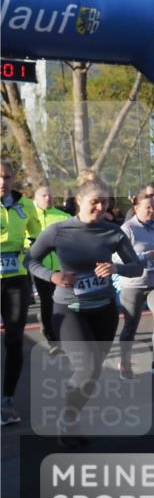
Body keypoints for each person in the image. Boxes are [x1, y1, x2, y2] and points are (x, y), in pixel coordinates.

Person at [26, 178, 143, 445]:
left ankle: (71, 418)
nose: (100, 207)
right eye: (94, 202)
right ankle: (66, 421)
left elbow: (135, 267)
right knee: (87, 367)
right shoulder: (58, 231)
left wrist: (116, 269)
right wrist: (52, 275)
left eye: (104, 202)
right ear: (79, 201)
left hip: (103, 310)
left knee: (94, 371)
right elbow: (30, 259)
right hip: (69, 309)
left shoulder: (113, 232)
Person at [114, 192, 154, 380]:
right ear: (136, 208)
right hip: (133, 284)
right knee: (130, 326)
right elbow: (116, 258)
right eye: (148, 207)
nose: (153, 210)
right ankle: (124, 361)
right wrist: (143, 257)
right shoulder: (127, 229)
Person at [1, 162, 41, 426]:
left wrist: (28, 247)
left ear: (13, 178)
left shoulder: (25, 205)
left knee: (15, 339)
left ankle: (7, 400)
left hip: (15, 279)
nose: (2, 181)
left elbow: (37, 235)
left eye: (6, 176)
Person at [31, 185, 70, 356]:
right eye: (44, 195)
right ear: (36, 199)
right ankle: (53, 340)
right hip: (42, 269)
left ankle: (66, 335)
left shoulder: (63, 216)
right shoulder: (30, 217)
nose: (48, 198)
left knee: (63, 303)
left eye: (50, 195)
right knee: (48, 302)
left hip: (62, 267)